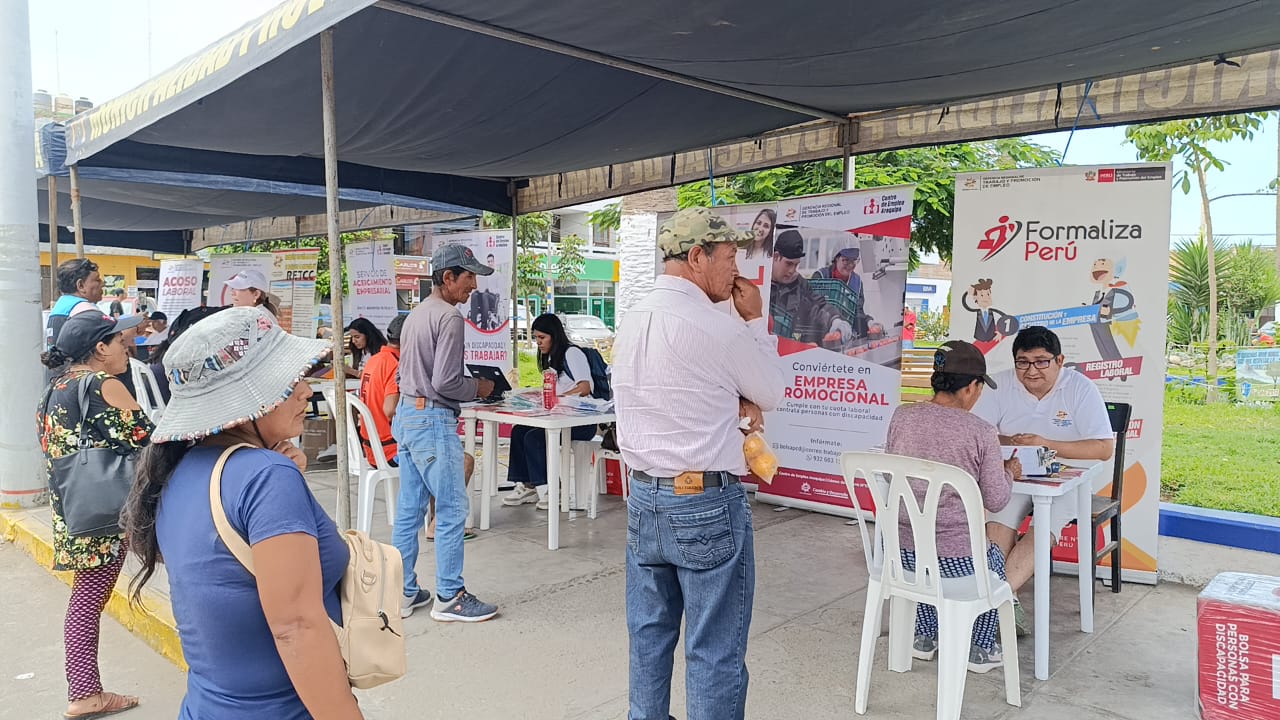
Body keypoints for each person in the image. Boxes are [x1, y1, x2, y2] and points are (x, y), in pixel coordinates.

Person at [120, 307, 364, 719]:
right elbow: (297, 628)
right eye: (288, 382)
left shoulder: (179, 468)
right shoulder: (266, 477)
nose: (305, 391)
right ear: (249, 398)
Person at [613, 207, 785, 720]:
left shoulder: (634, 317)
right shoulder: (717, 327)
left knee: (649, 638)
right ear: (696, 257)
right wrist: (755, 321)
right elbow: (771, 391)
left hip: (644, 497)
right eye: (730, 259)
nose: (737, 273)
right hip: (705, 501)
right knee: (714, 648)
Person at [38, 311, 150, 720]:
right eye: (121, 342)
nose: (128, 348)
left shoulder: (55, 389)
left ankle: (86, 690)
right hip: (107, 515)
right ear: (100, 348)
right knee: (87, 602)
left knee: (87, 599)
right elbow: (150, 442)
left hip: (76, 511)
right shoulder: (102, 384)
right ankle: (85, 693)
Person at [884, 340, 1022, 673]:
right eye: (979, 388)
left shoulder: (902, 417)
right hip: (957, 561)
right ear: (971, 387)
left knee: (926, 564)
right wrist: (1009, 472)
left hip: (902, 555)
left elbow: (891, 478)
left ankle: (924, 637)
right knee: (993, 564)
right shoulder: (981, 432)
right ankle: (979, 648)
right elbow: (997, 499)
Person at [973, 326, 1115, 632]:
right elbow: (979, 434)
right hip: (1015, 471)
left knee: (1045, 525)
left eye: (1041, 361)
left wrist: (1046, 444)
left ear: (1059, 360)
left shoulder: (1080, 388)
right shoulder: (1000, 384)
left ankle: (987, 604)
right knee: (998, 522)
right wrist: (1009, 439)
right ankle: (998, 603)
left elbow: (1104, 448)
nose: (1031, 370)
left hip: (1069, 475)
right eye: (1023, 362)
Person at [392, 242, 498, 622]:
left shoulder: (417, 314)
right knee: (452, 509)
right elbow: (447, 381)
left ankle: (402, 592)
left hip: (407, 416)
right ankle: (450, 596)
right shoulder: (450, 318)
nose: (473, 286)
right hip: (433, 419)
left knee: (409, 510)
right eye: (468, 277)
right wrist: (479, 388)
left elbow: (408, 375)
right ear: (448, 277)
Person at [503, 313, 598, 510]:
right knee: (519, 430)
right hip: (561, 417)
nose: (538, 342)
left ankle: (552, 489)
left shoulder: (572, 353)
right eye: (536, 338)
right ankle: (528, 484)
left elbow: (584, 388)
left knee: (535, 438)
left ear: (554, 335)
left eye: (542, 338)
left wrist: (558, 399)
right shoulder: (552, 358)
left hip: (582, 421)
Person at [769, 229, 854, 345]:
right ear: (776, 257)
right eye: (788, 264)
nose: (792, 270)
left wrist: (835, 320)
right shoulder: (761, 283)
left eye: (796, 265)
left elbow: (817, 305)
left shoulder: (799, 284)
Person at [358, 315, 403, 467]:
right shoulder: (395, 364)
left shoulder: (374, 359)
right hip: (390, 451)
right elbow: (390, 410)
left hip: (371, 448)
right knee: (455, 460)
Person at [47, 258, 105, 350]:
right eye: (97, 280)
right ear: (81, 285)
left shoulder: (60, 307)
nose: (102, 284)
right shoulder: (86, 310)